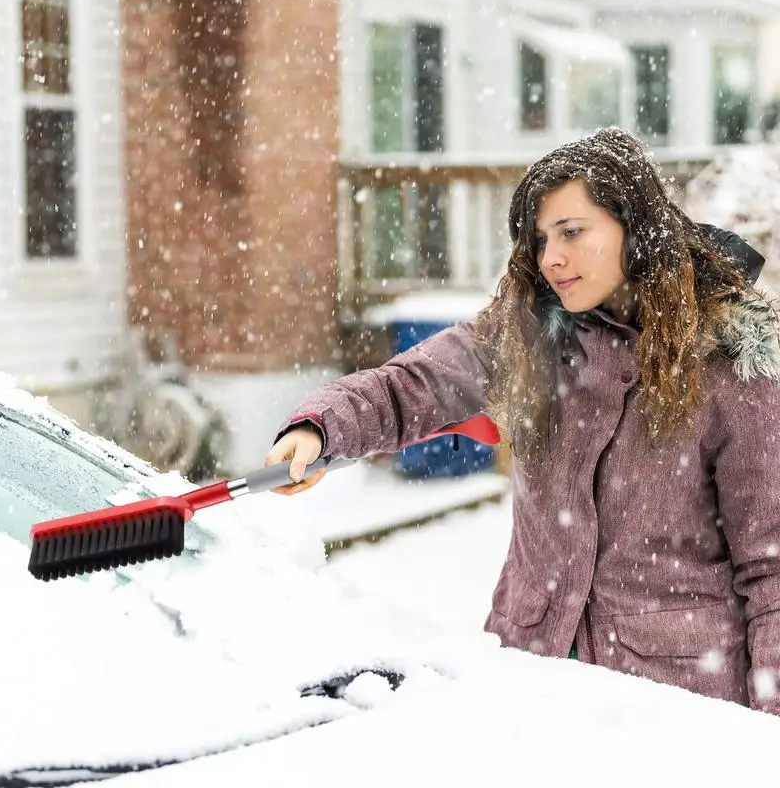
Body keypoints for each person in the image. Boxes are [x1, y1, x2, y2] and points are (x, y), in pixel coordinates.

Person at [265, 127, 780, 713]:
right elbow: (414, 384)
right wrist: (320, 427)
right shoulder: (532, 336)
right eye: (540, 239)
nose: (551, 257)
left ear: (637, 231)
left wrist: (767, 737)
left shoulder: (733, 369)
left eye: (572, 232)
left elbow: (773, 572)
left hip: (671, 707)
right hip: (527, 682)